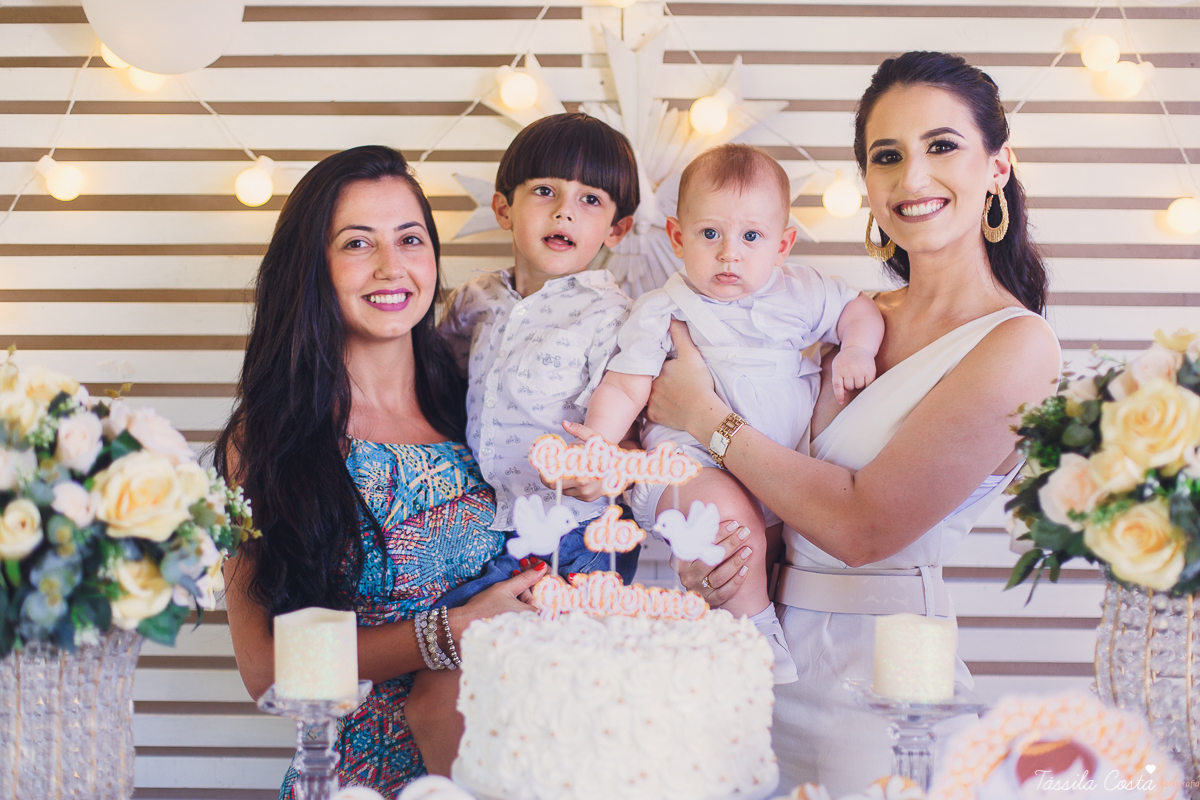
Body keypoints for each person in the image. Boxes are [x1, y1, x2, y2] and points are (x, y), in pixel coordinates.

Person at [642, 52, 1060, 795]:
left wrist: (709, 419)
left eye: (942, 147)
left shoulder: (1018, 346)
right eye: (886, 156)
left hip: (879, 688)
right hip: (755, 666)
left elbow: (862, 529)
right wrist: (718, 554)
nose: (912, 179)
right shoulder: (843, 318)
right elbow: (781, 499)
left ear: (998, 166)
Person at [216, 145, 546, 799]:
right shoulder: (273, 439)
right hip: (353, 779)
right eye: (357, 244)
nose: (393, 267)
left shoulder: (477, 399)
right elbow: (267, 670)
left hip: (509, 766)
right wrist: (446, 634)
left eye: (410, 238)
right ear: (313, 268)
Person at [574, 143, 884, 684]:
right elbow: (625, 386)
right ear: (677, 237)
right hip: (691, 465)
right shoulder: (664, 309)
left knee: (766, 541)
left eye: (751, 237)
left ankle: (722, 635)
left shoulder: (803, 293)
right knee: (730, 526)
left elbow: (860, 310)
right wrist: (598, 445)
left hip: (782, 471)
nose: (729, 254)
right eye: (710, 234)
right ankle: (752, 637)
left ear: (783, 244)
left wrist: (856, 348)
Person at [411, 111, 640, 772]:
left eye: (589, 201)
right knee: (460, 700)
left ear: (616, 229)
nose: (564, 212)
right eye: (545, 192)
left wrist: (611, 468)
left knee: (559, 700)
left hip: (573, 531)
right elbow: (424, 368)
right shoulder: (478, 299)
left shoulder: (611, 314)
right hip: (489, 528)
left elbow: (634, 416)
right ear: (504, 208)